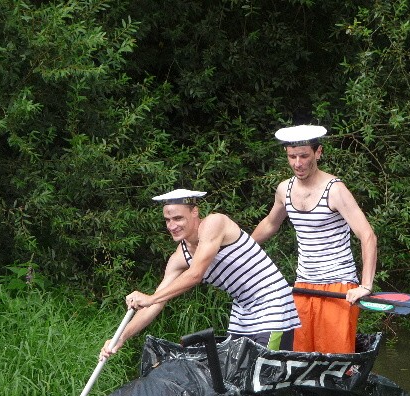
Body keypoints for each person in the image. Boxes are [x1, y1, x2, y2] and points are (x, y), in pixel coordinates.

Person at [100, 189, 300, 359]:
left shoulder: (215, 223)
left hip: (274, 305)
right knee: (235, 378)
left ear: (195, 212)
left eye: (178, 218)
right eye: (167, 220)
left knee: (263, 376)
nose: (172, 226)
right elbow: (157, 303)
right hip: (243, 311)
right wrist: (121, 338)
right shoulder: (179, 257)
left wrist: (150, 298)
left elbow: (195, 274)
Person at [251, 125, 377, 354]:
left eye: (304, 156)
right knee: (300, 357)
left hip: (339, 286)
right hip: (303, 286)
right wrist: (242, 249)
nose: (298, 163)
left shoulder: (335, 190)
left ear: (318, 152)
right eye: (292, 156)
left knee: (334, 357)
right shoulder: (284, 190)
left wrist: (365, 286)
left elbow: (367, 235)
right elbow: (270, 224)